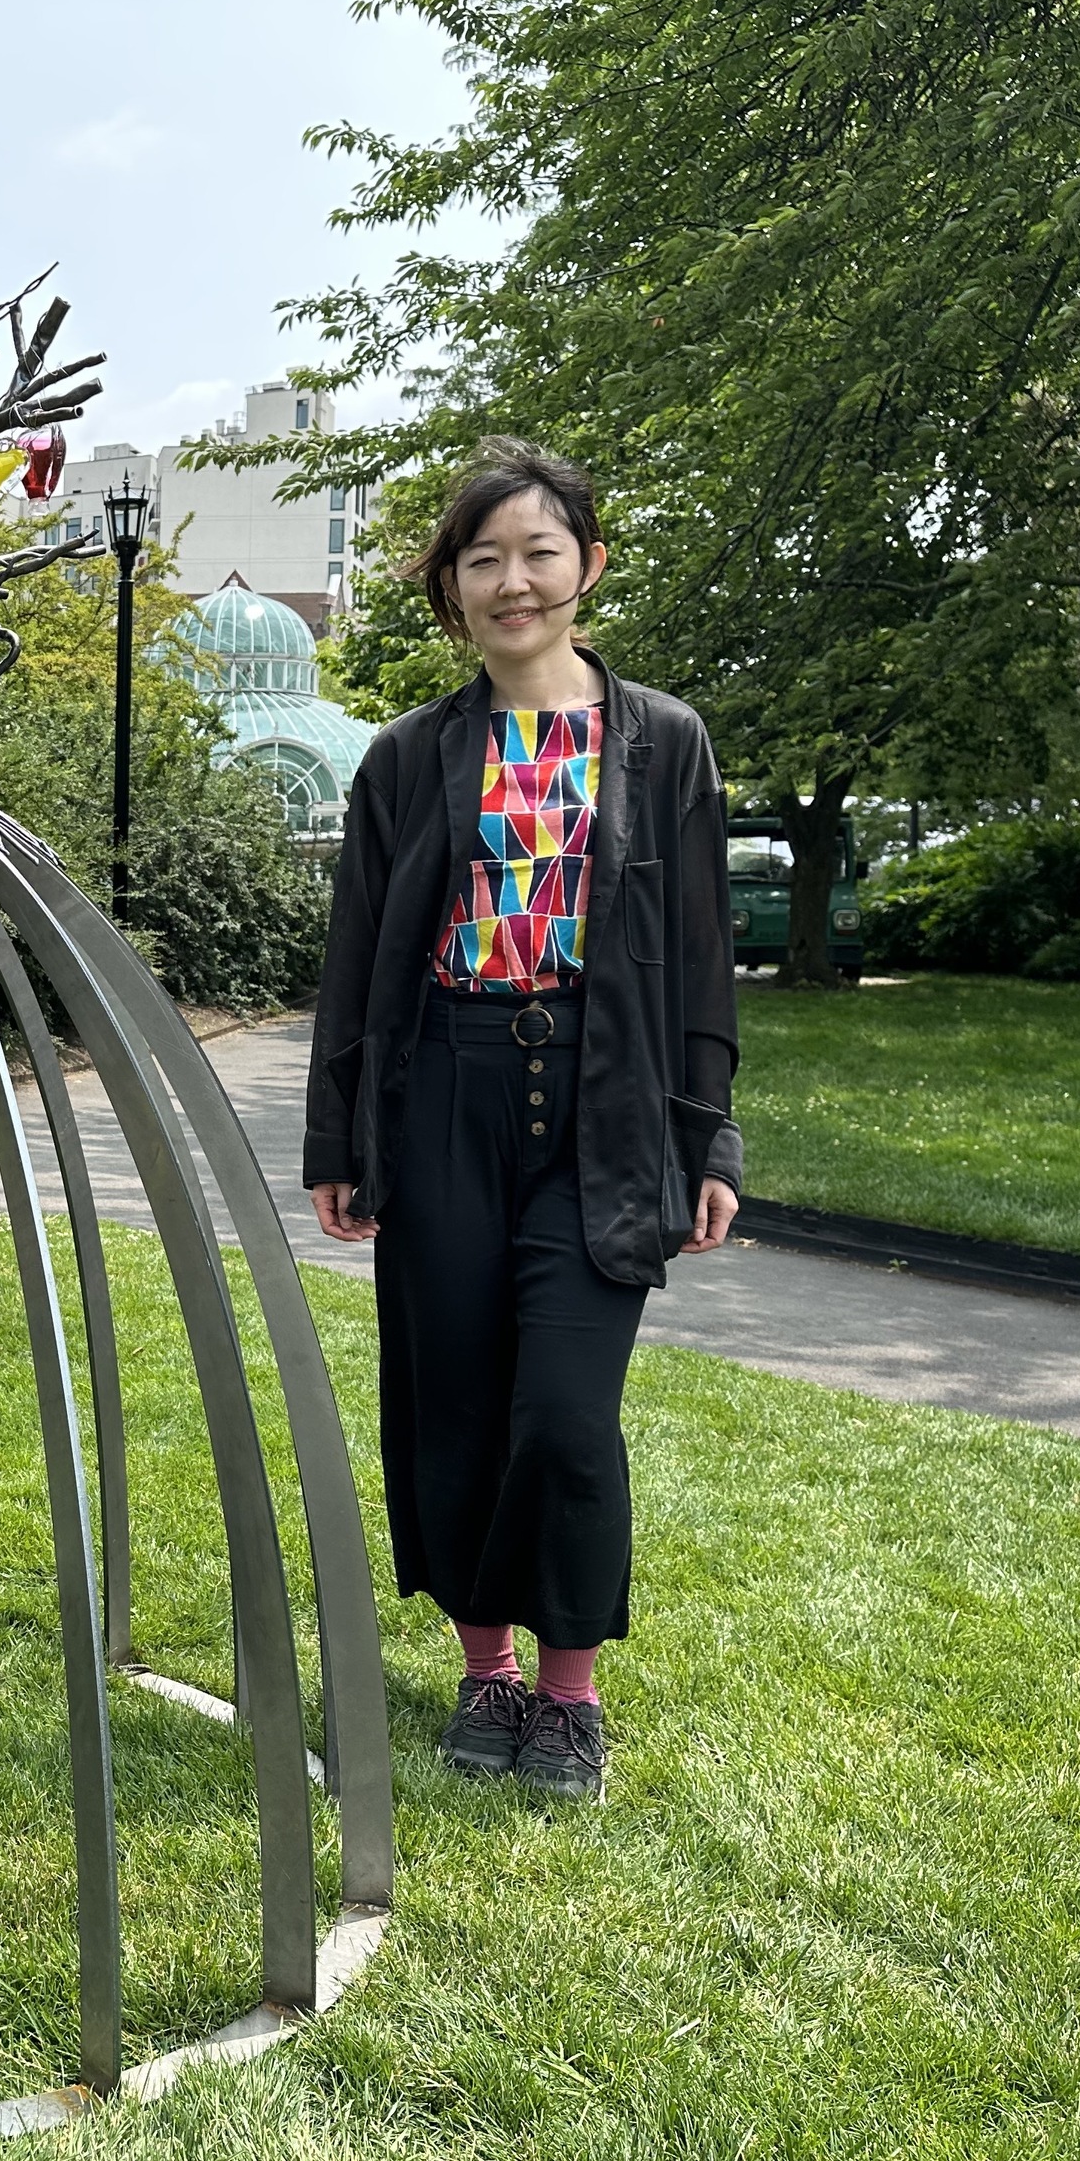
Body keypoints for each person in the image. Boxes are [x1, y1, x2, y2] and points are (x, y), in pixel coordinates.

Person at [302, 438, 743, 1802]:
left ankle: (569, 1693)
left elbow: (701, 953)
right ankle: (484, 1669)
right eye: (483, 559)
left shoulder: (661, 743)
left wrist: (706, 1136)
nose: (513, 581)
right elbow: (359, 953)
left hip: (601, 1104)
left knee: (562, 1411)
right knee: (454, 1398)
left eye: (538, 552)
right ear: (451, 588)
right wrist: (339, 1140)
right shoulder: (408, 756)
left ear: (587, 565)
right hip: (444, 1091)